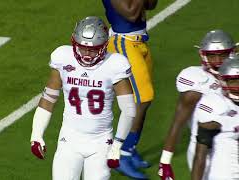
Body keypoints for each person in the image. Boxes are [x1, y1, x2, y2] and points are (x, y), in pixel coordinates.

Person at [30, 16, 137, 180]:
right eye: (82, 48)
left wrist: (117, 145)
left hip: (101, 142)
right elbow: (48, 99)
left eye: (93, 49)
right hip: (70, 138)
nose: (87, 53)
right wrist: (36, 135)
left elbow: (129, 109)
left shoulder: (114, 64)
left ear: (104, 45)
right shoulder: (63, 58)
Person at [158, 30, 236, 180]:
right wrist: (165, 161)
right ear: (203, 55)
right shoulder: (197, 80)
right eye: (212, 55)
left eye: (223, 54)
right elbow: (178, 121)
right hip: (205, 148)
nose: (218, 60)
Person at [102, 0, 158, 179]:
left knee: (143, 99)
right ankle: (121, 153)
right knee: (142, 98)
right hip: (123, 43)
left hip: (139, 42)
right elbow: (131, 14)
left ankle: (130, 148)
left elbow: (150, 5)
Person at [191, 55, 239, 180]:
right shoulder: (217, 106)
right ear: (223, 82)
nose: (237, 85)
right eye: (233, 80)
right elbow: (200, 156)